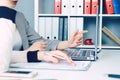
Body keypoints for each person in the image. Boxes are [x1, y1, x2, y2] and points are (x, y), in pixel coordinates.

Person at [0, 0, 88, 72]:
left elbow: (41, 42)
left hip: (21, 70)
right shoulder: (6, 17)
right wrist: (30, 52)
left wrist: (67, 43)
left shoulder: (18, 16)